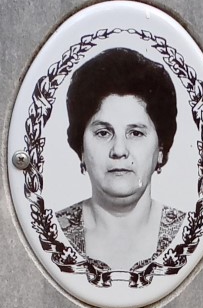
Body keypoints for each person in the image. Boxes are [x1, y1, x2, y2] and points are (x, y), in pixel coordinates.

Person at [56, 46, 187, 269]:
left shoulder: (188, 233)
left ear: (161, 148)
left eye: (135, 133)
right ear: (81, 148)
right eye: (103, 133)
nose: (119, 150)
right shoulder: (52, 232)